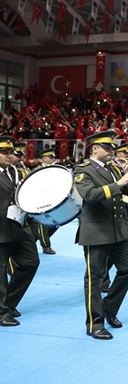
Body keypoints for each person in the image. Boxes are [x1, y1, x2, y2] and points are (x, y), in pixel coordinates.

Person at [73, 130, 128, 340]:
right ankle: (94, 323)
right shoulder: (83, 169)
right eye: (108, 147)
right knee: (95, 278)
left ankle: (109, 308)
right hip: (96, 231)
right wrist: (119, 184)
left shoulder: (113, 169)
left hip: (118, 230)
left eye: (112, 147)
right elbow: (90, 195)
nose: (112, 151)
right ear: (95, 149)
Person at [0, 136, 40, 327]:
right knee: (0, 271)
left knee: (31, 262)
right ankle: (1, 313)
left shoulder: (14, 171)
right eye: (4, 152)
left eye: (10, 152)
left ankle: (8, 303)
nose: (9, 155)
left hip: (18, 225)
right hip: (0, 228)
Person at [103, 142, 128, 292]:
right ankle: (103, 279)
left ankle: (103, 278)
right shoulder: (109, 166)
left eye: (125, 153)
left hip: (124, 206)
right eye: (122, 153)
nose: (124, 155)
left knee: (118, 246)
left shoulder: (125, 165)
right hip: (111, 209)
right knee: (108, 250)